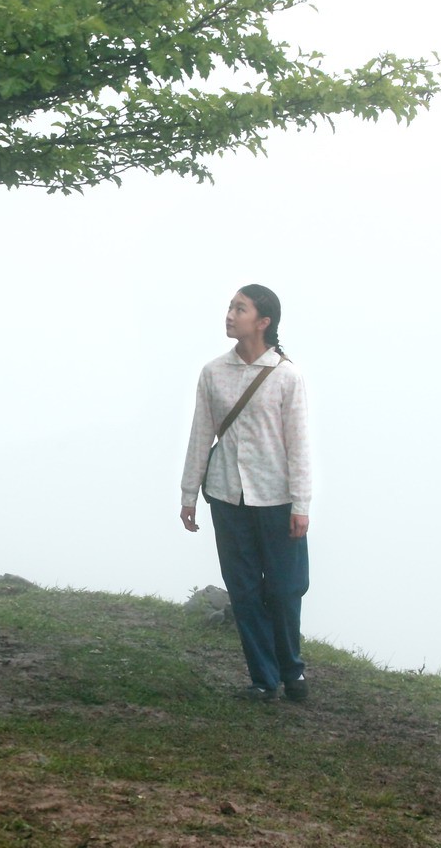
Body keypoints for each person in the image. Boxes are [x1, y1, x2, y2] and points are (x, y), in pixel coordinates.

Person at [179, 284, 313, 702]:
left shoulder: (287, 376)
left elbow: (299, 445)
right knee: (242, 588)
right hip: (225, 495)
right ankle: (263, 678)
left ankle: (291, 669)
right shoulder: (213, 372)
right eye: (230, 307)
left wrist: (302, 503)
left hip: (276, 498)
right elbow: (201, 434)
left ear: (264, 321)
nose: (230, 314)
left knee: (285, 587)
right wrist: (189, 495)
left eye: (240, 308)